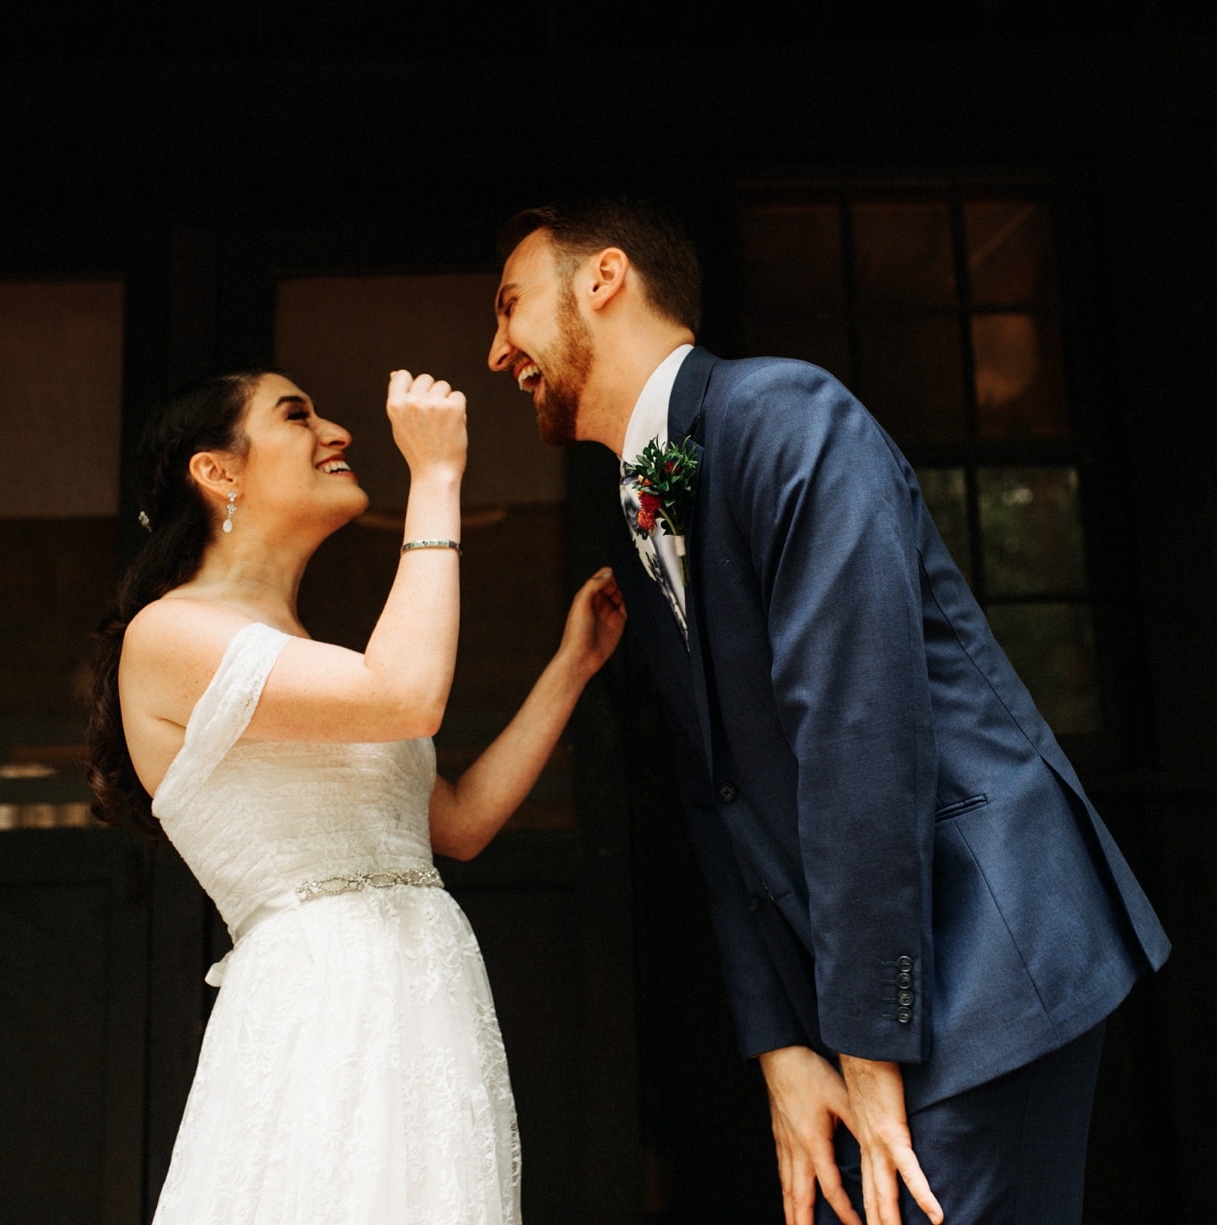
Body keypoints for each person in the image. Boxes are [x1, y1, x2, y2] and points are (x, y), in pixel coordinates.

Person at [487, 201, 1171, 1225]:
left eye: (508, 307)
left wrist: (864, 1041)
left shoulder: (785, 414)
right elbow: (715, 794)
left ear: (603, 280)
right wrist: (781, 1050)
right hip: (863, 1002)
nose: (498, 351)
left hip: (980, 955)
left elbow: (857, 736)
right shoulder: (643, 505)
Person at [85, 366, 625, 1224]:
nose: (336, 432)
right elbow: (406, 692)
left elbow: (456, 823)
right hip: (323, 1005)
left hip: (425, 996)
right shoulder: (172, 632)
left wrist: (570, 669)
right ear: (217, 471)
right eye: (297, 415)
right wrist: (438, 474)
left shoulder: (310, 655)